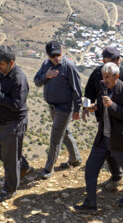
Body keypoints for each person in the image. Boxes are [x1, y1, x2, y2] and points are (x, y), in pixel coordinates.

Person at [82, 47, 123, 191]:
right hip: (105, 123)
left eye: (118, 59)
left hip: (121, 127)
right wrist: (87, 107)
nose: (116, 62)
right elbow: (90, 92)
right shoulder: (97, 75)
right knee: (108, 152)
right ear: (103, 60)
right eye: (112, 59)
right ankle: (117, 176)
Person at [74, 63, 123, 213]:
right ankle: (91, 204)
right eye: (103, 76)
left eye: (107, 77)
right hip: (103, 137)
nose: (104, 79)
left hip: (119, 139)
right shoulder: (103, 87)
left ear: (116, 76)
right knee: (90, 168)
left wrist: (112, 106)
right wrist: (95, 107)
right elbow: (102, 107)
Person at [0, 45, 32, 201]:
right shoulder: (3, 73)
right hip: (0, 123)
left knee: (10, 159)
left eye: (1, 64)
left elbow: (17, 105)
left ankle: (9, 189)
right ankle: (24, 167)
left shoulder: (18, 78)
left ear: (11, 63)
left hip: (13, 124)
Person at [34, 41, 82, 179]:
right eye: (52, 56)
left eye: (58, 54)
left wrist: (77, 109)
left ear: (62, 51)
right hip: (52, 107)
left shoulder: (69, 67)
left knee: (55, 138)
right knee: (64, 132)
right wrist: (46, 76)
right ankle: (75, 159)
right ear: (48, 55)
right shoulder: (46, 65)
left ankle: (49, 168)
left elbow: (77, 89)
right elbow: (37, 81)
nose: (56, 58)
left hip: (64, 108)